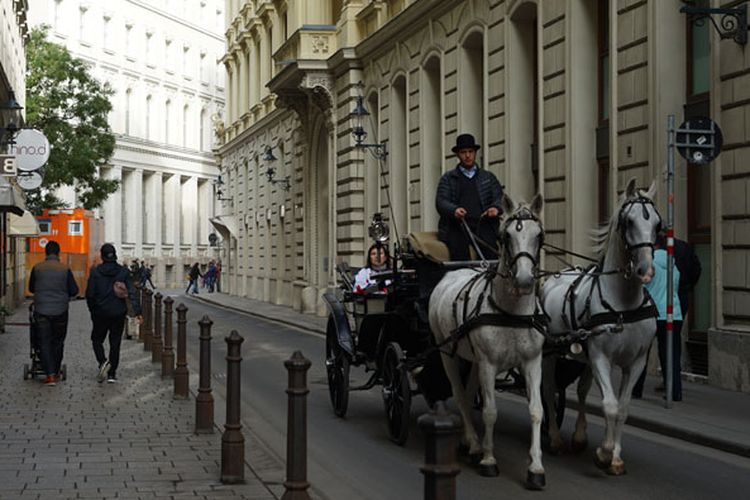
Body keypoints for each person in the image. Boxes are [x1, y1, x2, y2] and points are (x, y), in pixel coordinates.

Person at [633, 236, 701, 398]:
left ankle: (636, 390)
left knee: (642, 353)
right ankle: (675, 392)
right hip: (673, 314)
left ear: (654, 247)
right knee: (671, 354)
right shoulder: (674, 266)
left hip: (652, 313)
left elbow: (642, 284)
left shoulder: (650, 264)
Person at [436, 133, 504, 261]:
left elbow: (499, 197)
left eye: (470, 152)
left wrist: (496, 208)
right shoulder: (448, 178)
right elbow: (441, 201)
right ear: (458, 155)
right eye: (463, 152)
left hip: (483, 225)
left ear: (475, 153)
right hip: (458, 226)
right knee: (460, 255)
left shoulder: (488, 177)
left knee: (491, 253)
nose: (467, 156)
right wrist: (454, 210)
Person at [86, 243, 142, 383]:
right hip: (118, 312)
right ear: (115, 254)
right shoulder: (123, 272)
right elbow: (132, 293)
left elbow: (90, 294)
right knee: (115, 342)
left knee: (96, 340)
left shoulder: (96, 272)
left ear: (102, 256)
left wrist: (93, 310)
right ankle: (112, 374)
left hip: (100, 312)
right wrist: (137, 311)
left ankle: (103, 362)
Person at [28, 240, 79, 386]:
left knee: (43, 341)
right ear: (58, 253)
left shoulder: (37, 268)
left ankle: (49, 374)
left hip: (41, 310)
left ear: (45, 253)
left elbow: (31, 288)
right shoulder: (65, 269)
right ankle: (55, 371)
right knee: (58, 341)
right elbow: (74, 290)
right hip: (61, 310)